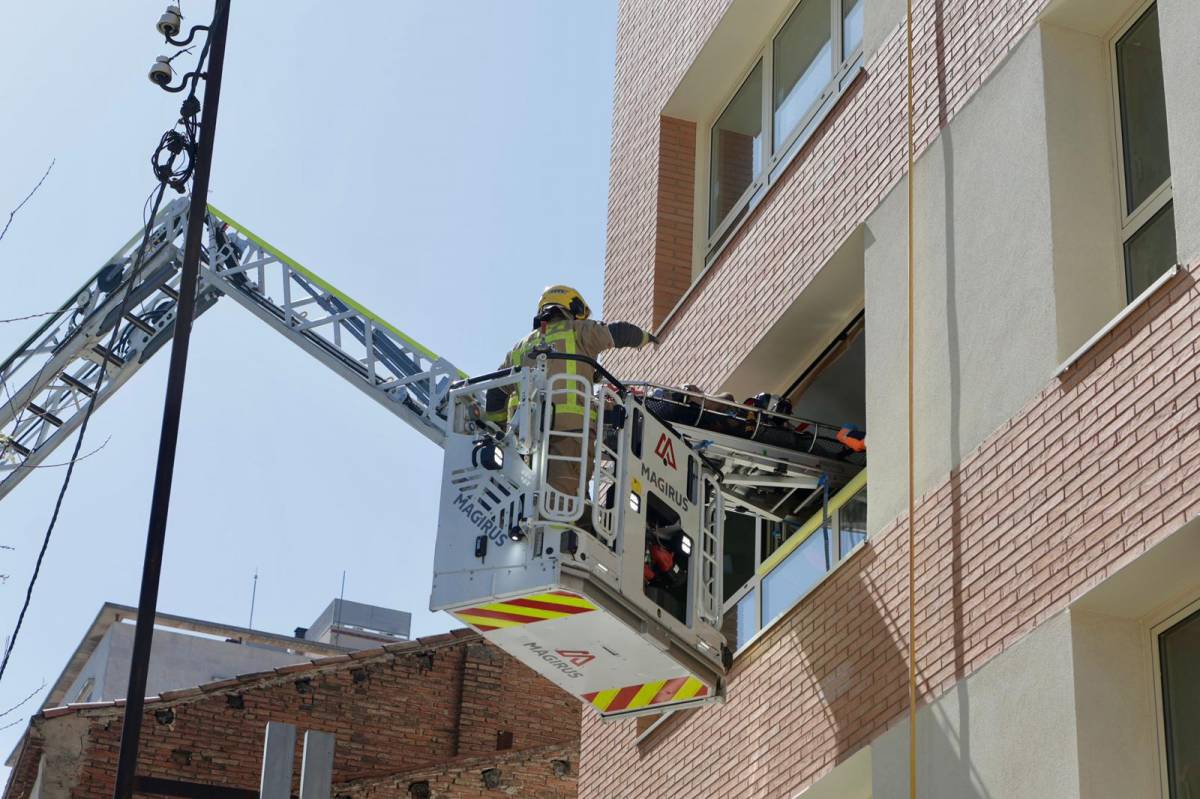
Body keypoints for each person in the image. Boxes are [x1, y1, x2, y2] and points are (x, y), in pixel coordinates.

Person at [499, 285, 655, 502]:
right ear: (572, 307)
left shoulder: (518, 349)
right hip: (570, 431)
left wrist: (495, 432)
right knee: (564, 499)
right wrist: (646, 338)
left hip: (526, 437)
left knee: (532, 496)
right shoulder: (578, 331)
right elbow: (620, 332)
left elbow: (496, 392)